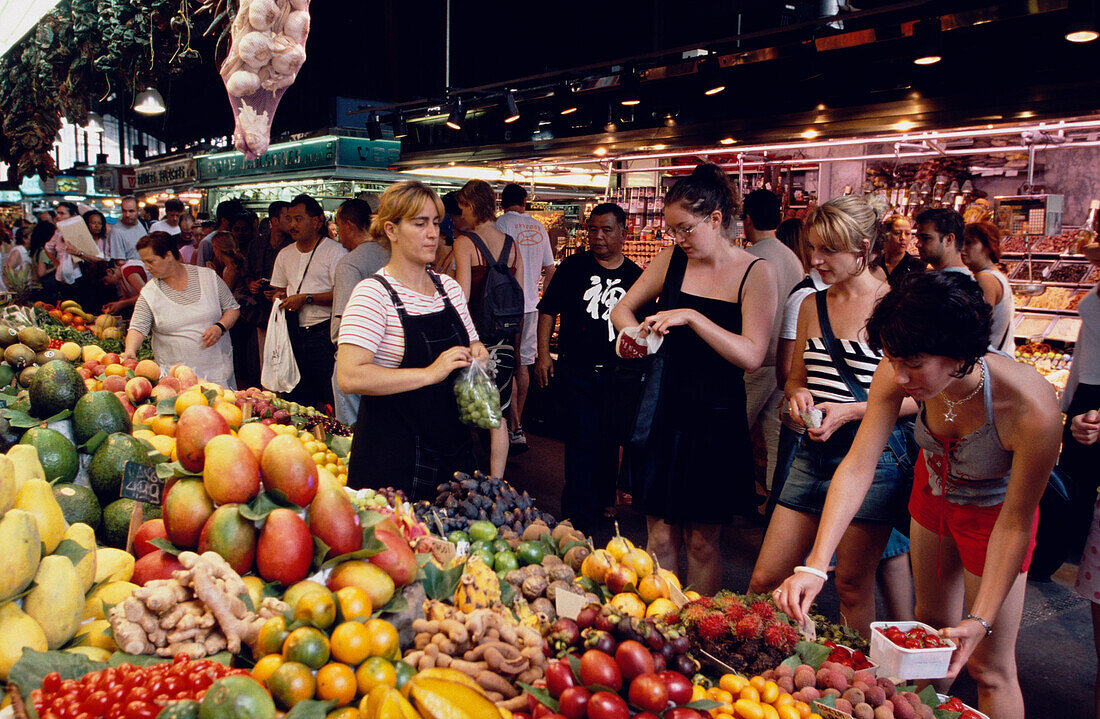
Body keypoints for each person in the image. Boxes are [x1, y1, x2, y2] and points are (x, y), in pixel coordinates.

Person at [774, 271, 1061, 719]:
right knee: (925, 641)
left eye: (914, 363)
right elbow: (858, 464)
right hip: (931, 502)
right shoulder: (897, 373)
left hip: (995, 518)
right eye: (892, 359)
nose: (900, 374)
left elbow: (1017, 521)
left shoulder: (1031, 407)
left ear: (958, 353)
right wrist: (815, 564)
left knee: (988, 666)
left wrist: (980, 619)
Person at [748, 194, 915, 637]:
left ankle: (850, 684)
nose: (816, 260)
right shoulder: (810, 305)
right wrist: (799, 396)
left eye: (828, 250)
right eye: (813, 248)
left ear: (864, 247)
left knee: (852, 587)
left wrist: (851, 412)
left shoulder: (899, 307)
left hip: (875, 458)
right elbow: (795, 378)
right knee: (765, 580)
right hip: (812, 452)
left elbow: (921, 395)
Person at [611, 163, 777, 594]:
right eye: (674, 231)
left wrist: (692, 317)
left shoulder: (756, 272)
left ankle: (698, 632)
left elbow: (753, 355)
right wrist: (635, 335)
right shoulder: (672, 261)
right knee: (660, 536)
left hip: (715, 418)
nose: (678, 240)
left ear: (716, 219)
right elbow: (621, 309)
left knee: (703, 542)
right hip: (662, 408)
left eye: (685, 229)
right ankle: (660, 624)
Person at [336, 181, 486, 498]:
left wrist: (478, 355)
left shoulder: (449, 288)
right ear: (391, 229)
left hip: (451, 455)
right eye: (420, 224)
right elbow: (349, 375)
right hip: (392, 460)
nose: (433, 233)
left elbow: (471, 344)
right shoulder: (373, 294)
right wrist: (430, 373)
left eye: (435, 222)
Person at [535, 203, 643, 533]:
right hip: (576, 370)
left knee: (609, 441)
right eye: (592, 230)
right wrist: (542, 355)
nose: (597, 237)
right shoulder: (572, 267)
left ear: (624, 233)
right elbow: (548, 311)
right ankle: (576, 511)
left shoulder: (637, 277)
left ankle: (603, 501)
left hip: (617, 375)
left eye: (606, 230)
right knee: (580, 441)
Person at [454, 179, 524, 478]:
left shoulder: (464, 243)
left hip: (476, 339)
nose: (461, 215)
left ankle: (464, 472)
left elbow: (462, 297)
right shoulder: (511, 245)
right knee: (500, 412)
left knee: (466, 408)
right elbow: (519, 293)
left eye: (461, 208)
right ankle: (497, 480)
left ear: (470, 205)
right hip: (505, 339)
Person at [742, 189, 806, 499]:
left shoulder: (750, 258)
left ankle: (729, 500)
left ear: (748, 220)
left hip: (753, 362)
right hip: (785, 362)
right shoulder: (792, 258)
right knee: (776, 436)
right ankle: (775, 501)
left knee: (730, 431)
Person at [122, 232, 240, 388]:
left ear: (168, 256)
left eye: (150, 261)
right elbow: (138, 327)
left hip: (217, 374)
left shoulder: (209, 277)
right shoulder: (149, 293)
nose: (146, 268)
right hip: (176, 381)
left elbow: (232, 308)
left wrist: (220, 326)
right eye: (144, 262)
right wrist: (130, 350)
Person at [270, 194, 346, 409]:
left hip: (324, 334)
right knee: (296, 396)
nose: (292, 225)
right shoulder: (284, 254)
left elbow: (342, 293)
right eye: (290, 219)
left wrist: (307, 299)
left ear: (317, 221)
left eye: (298, 219)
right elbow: (279, 289)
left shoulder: (334, 252)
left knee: (328, 398)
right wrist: (279, 298)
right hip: (293, 332)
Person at [495, 183, 556, 451]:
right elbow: (550, 269)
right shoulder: (539, 226)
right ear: (525, 200)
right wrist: (543, 297)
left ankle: (510, 424)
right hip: (533, 306)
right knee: (524, 364)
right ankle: (517, 428)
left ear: (502, 202)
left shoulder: (499, 225)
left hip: (506, 307)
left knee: (507, 362)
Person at [330, 199, 390, 425]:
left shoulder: (349, 264)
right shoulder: (391, 255)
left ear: (348, 225)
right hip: (389, 360)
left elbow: (343, 325)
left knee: (353, 433)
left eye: (338, 226)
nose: (337, 233)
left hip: (355, 361)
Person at [246, 202, 293, 363]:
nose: (292, 222)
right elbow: (247, 273)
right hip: (261, 312)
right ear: (274, 220)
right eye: (288, 218)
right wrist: (251, 284)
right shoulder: (257, 245)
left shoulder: (294, 246)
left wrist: (283, 291)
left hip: (287, 311)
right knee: (264, 357)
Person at [961, 222, 1014, 354]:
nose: (962, 249)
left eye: (969, 243)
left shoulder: (985, 278)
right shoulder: (997, 275)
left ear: (988, 246)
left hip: (991, 362)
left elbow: (977, 327)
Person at [874, 214, 927, 286]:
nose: (903, 238)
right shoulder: (875, 264)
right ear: (887, 235)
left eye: (907, 234)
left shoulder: (918, 267)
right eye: (897, 233)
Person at [915, 208, 969, 274]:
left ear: (949, 239)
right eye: (918, 238)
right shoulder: (937, 277)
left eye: (926, 238)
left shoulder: (959, 282)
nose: (918, 244)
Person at [195, 199, 245, 267]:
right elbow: (202, 270)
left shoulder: (238, 239)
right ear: (224, 220)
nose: (237, 224)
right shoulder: (207, 243)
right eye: (234, 220)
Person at [108, 197, 147, 262]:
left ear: (139, 211)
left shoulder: (141, 224)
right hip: (131, 270)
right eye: (124, 211)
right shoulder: (116, 232)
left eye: (131, 211)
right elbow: (120, 262)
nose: (127, 215)